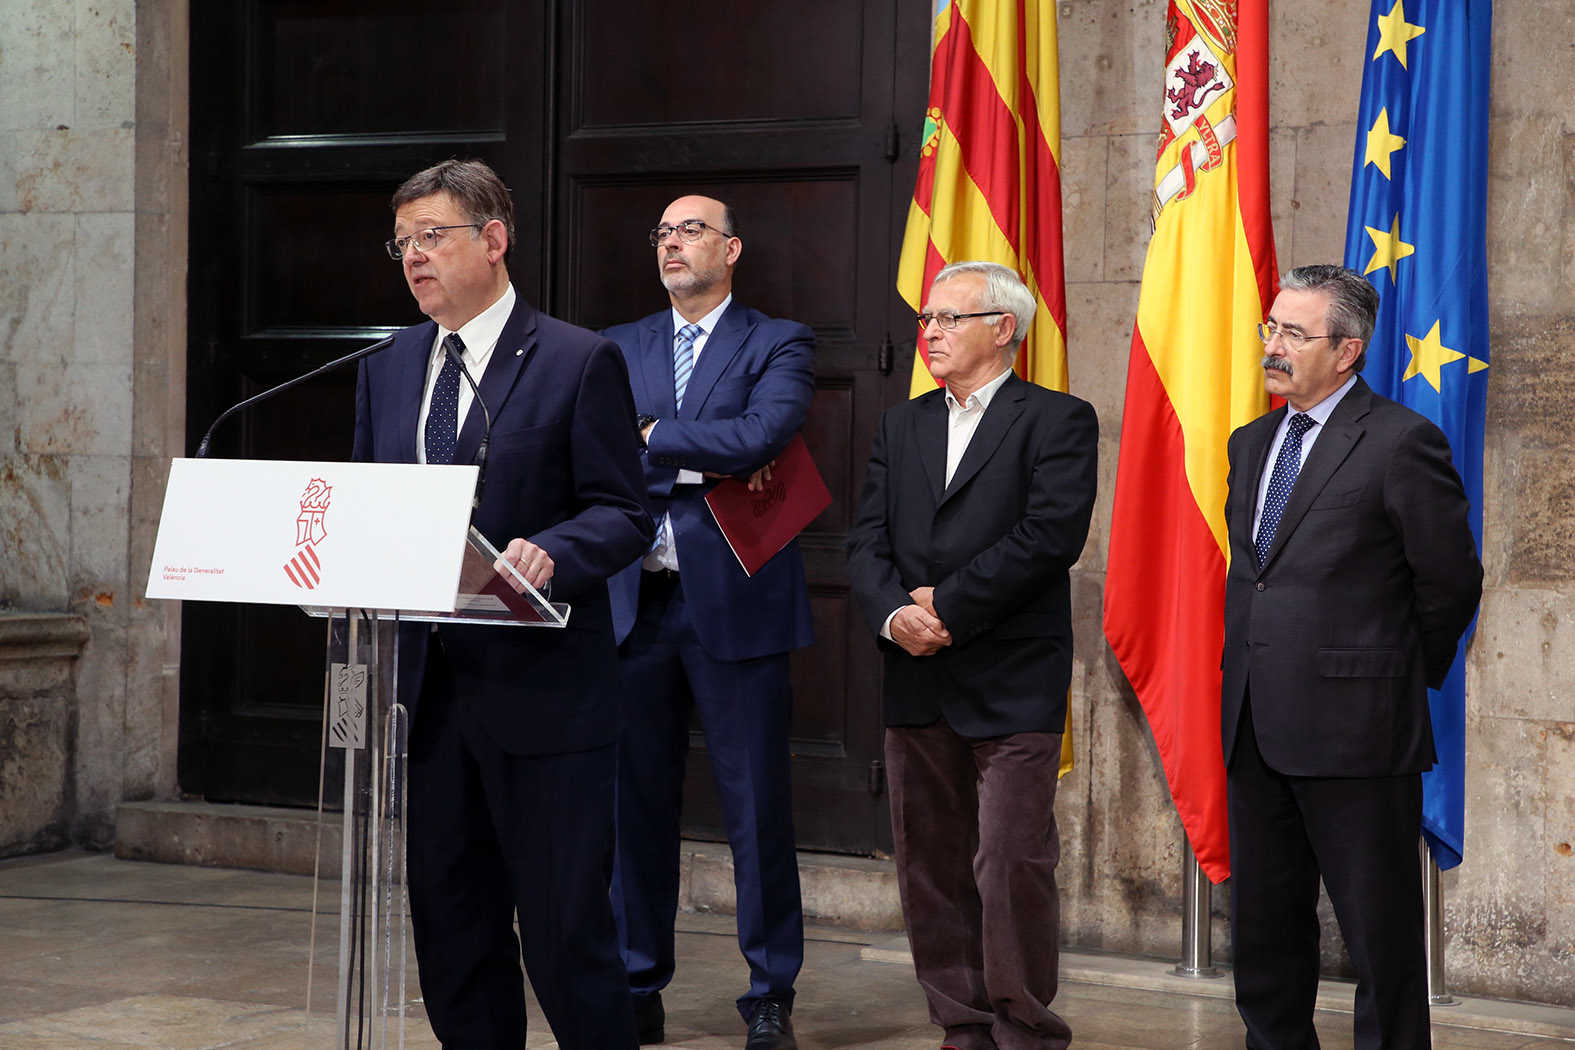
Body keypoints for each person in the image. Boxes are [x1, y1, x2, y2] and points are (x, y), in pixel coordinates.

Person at [352, 158, 653, 1050]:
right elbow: (373, 507)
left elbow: (624, 513)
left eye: (432, 237)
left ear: (493, 239)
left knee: (566, 938)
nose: (413, 258)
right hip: (430, 697)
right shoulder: (389, 365)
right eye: (402, 243)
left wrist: (553, 552)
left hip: (547, 698)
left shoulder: (575, 358)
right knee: (452, 929)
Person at [1221, 264, 1482, 1050]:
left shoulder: (1402, 441)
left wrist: (1387, 678)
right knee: (1263, 938)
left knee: (1379, 940)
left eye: (1292, 333)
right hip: (1253, 723)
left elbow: (1450, 581)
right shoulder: (1250, 441)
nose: (1272, 345)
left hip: (1360, 733)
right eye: (1270, 327)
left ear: (1346, 350)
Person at [845, 261, 1098, 1050]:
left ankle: (1024, 1027)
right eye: (926, 320)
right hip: (915, 674)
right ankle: (959, 1021)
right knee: (928, 863)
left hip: (1011, 676)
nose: (930, 333)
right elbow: (865, 541)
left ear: (1003, 328)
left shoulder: (1058, 419)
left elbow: (1049, 536)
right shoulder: (902, 424)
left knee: (1010, 861)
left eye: (949, 319)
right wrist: (892, 613)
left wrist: (947, 608)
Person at [604, 195, 815, 1050]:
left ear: (730, 248)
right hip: (634, 602)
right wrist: (698, 447)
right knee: (631, 807)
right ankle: (635, 980)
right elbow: (598, 449)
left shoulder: (777, 340)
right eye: (659, 233)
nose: (670, 244)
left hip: (736, 601)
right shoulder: (619, 345)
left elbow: (764, 434)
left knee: (755, 806)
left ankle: (769, 991)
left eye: (689, 230)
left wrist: (652, 434)